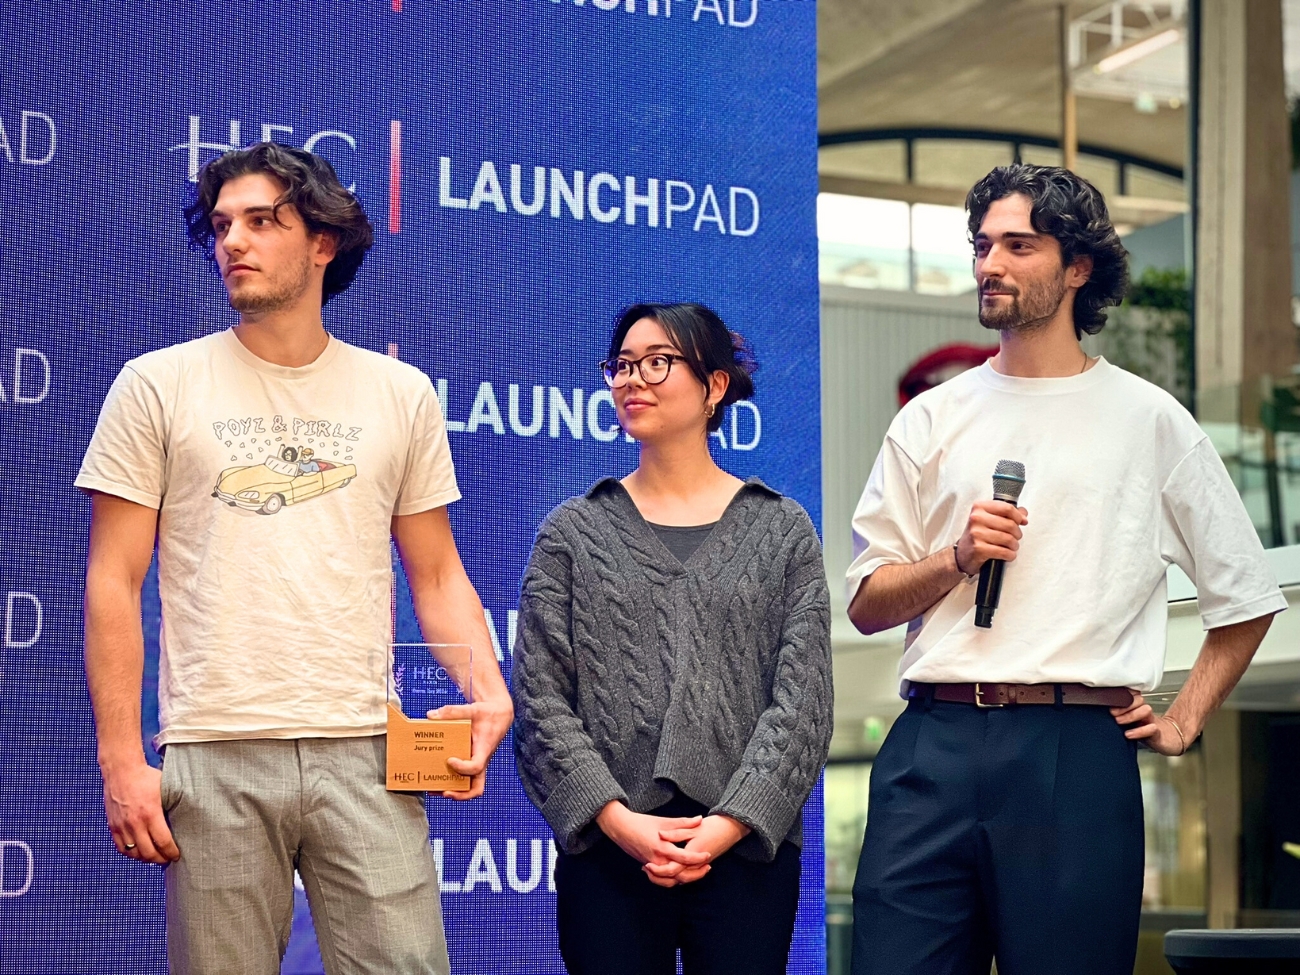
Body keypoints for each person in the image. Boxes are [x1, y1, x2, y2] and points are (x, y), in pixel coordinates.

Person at [77, 141, 513, 975]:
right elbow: (113, 579)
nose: (233, 241)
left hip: (369, 748)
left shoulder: (401, 393)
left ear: (322, 241)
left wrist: (489, 689)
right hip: (215, 747)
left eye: (260, 221)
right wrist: (122, 760)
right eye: (221, 226)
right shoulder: (155, 384)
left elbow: (436, 571)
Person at [846, 163, 1287, 975]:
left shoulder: (1149, 419)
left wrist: (1184, 718)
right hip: (931, 743)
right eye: (982, 245)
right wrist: (957, 557)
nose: (990, 263)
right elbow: (868, 603)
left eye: (1018, 245)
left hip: (1074, 748)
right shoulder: (930, 417)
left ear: (1078, 266)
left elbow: (1247, 595)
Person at [511, 302, 833, 975]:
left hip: (746, 849)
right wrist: (616, 819)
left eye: (657, 362)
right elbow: (541, 699)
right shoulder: (572, 532)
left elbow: (803, 702)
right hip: (610, 850)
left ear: (715, 385)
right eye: (622, 365)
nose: (633, 380)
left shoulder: (782, 530)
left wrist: (729, 824)